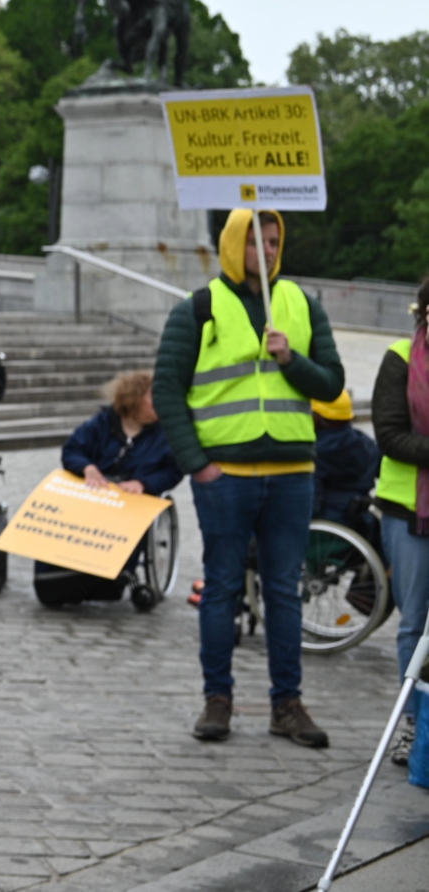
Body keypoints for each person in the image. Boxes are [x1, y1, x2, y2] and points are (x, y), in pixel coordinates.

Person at [153, 208, 342, 748]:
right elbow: (168, 391)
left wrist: (292, 361)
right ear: (235, 244)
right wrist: (199, 464)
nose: (269, 250)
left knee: (284, 591)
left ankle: (287, 704)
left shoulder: (303, 304)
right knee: (222, 588)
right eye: (258, 242)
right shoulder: (198, 309)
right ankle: (219, 700)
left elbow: (331, 385)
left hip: (291, 474)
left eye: (276, 241)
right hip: (225, 475)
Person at [369, 274, 429, 769]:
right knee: (413, 623)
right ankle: (411, 722)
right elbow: (388, 435)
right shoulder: (400, 357)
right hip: (408, 510)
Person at [61, 370, 182, 497]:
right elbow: (72, 450)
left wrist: (143, 483)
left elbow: (173, 471)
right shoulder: (101, 424)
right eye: (154, 396)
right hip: (96, 493)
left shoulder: (165, 434)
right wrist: (87, 468)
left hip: (137, 498)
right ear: (135, 398)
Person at [310, 390, 380, 526]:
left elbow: (311, 505)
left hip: (325, 529)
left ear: (317, 418)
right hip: (362, 523)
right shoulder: (366, 444)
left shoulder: (316, 452)